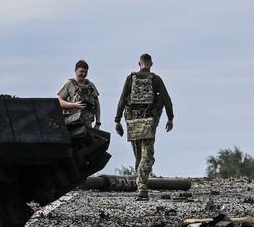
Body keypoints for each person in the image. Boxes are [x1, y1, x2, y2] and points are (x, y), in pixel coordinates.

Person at [114, 53, 173, 200]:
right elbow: (167, 100)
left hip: (133, 121)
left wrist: (117, 120)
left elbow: (122, 100)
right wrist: (170, 118)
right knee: (147, 156)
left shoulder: (130, 78)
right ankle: (142, 188)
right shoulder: (156, 79)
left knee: (139, 156)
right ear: (151, 64)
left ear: (139, 64)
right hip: (149, 121)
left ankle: (140, 186)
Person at [57, 59, 101, 129]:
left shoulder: (90, 85)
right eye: (81, 71)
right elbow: (59, 101)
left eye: (86, 72)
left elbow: (97, 105)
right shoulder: (69, 84)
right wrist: (74, 105)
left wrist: (98, 123)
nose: (83, 74)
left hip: (87, 124)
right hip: (72, 124)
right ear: (75, 70)